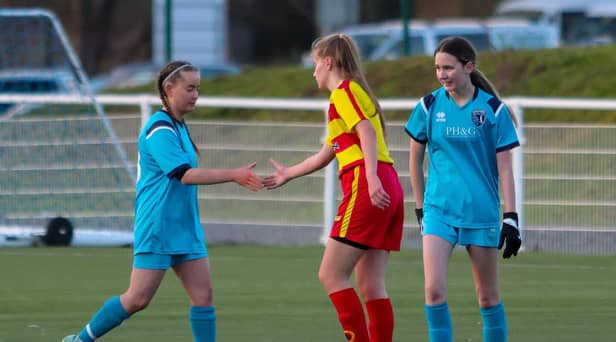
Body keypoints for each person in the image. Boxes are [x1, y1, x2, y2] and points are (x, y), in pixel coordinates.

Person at [62, 60, 263, 342]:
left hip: (185, 226)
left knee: (203, 297)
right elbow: (183, 175)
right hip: (157, 227)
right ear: (169, 89)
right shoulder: (160, 128)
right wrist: (233, 174)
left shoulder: (179, 127)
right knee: (136, 299)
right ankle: (79, 340)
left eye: (198, 89)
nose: (195, 95)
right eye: (189, 88)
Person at [264, 33, 404, 342]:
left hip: (368, 182)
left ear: (328, 62)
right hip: (388, 184)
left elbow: (365, 131)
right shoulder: (355, 94)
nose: (313, 72)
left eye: (315, 64)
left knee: (330, 274)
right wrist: (289, 173)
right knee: (370, 285)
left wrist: (370, 178)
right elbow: (326, 154)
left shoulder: (343, 92)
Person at [405, 36, 522, 342]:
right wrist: (420, 208)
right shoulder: (428, 106)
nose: (442, 74)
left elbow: (505, 168)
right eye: (437, 68)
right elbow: (414, 160)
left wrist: (510, 217)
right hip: (438, 211)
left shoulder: (493, 111)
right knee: (433, 290)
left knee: (487, 298)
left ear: (468, 67)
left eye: (448, 67)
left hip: (480, 212)